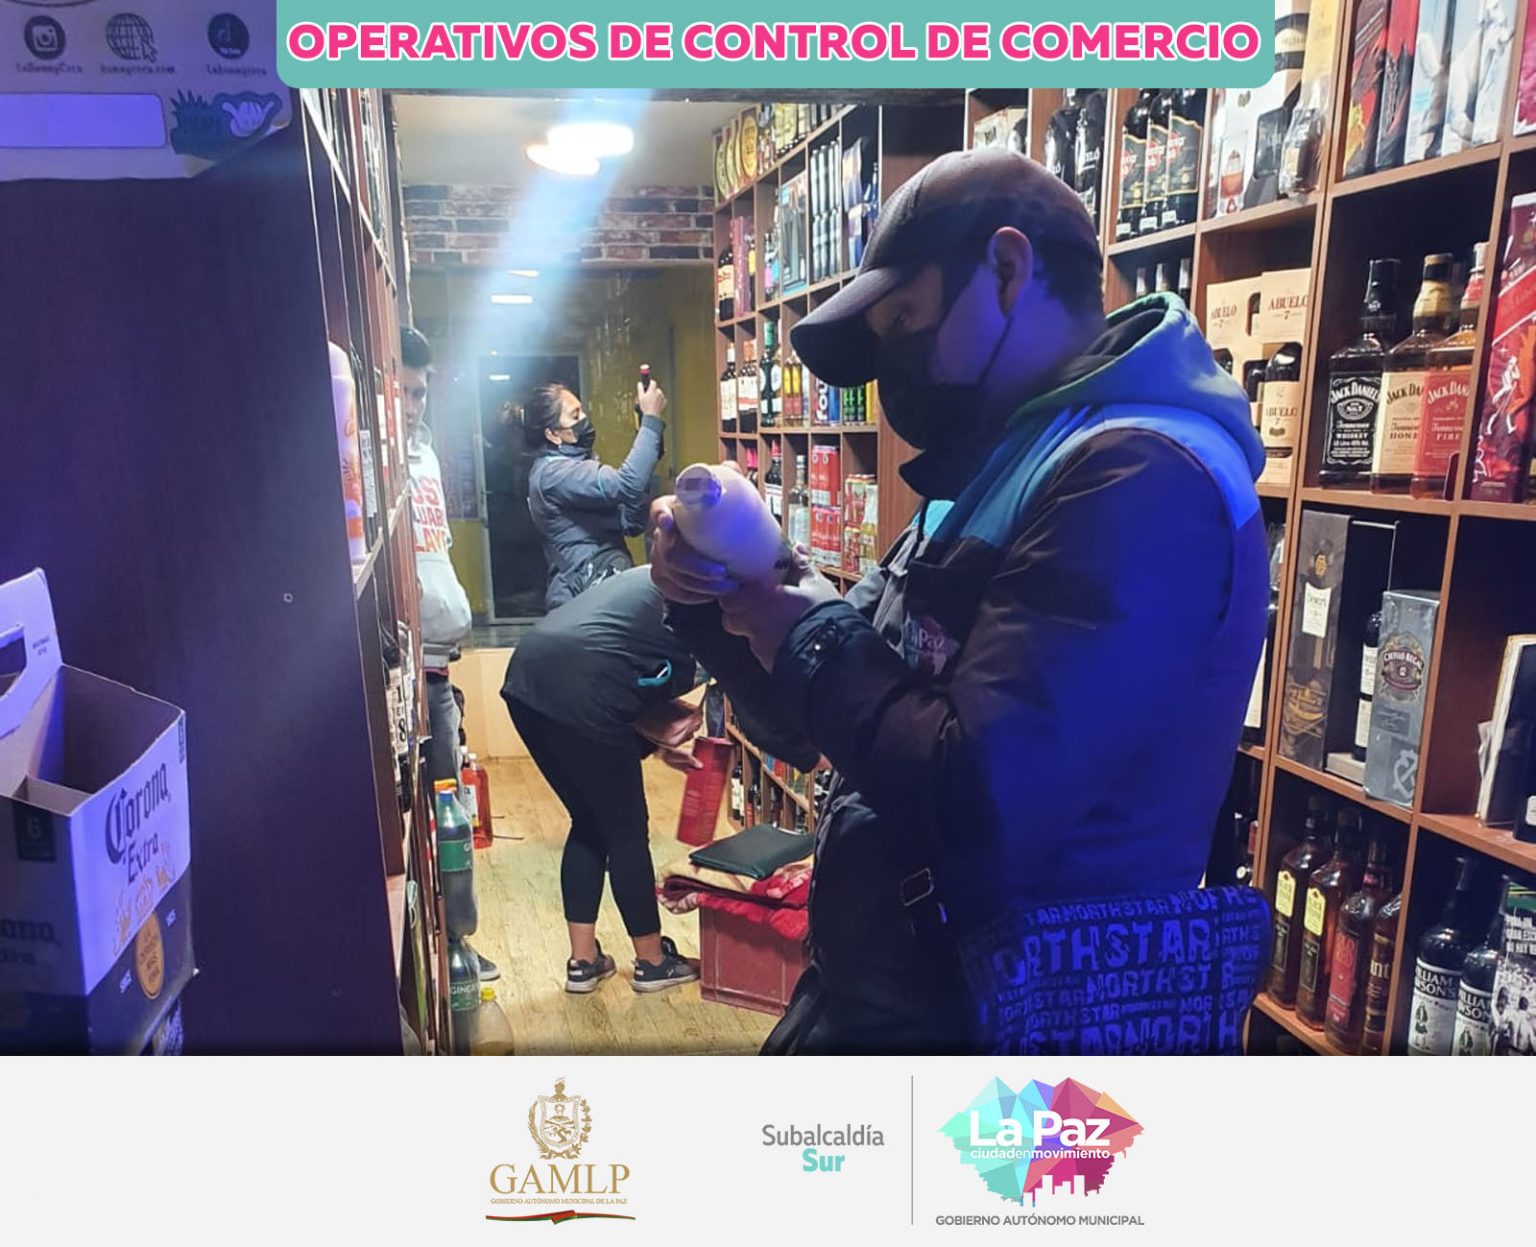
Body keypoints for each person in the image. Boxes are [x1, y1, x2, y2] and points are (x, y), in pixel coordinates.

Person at [648, 148, 1269, 1055]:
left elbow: (981, 801)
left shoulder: (1141, 477)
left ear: (1009, 271)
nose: (893, 363)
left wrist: (800, 624)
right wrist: (722, 596)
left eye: (905, 317)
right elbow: (815, 724)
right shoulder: (1000, 466)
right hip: (908, 992)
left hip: (1024, 1035)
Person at [499, 566, 705, 994]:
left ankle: (583, 962)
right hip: (584, 688)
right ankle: (652, 962)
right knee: (626, 830)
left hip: (526, 679)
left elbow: (624, 668)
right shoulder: (705, 600)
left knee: (589, 821)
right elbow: (613, 686)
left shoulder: (657, 575)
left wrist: (657, 744)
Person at [402, 326, 498, 982]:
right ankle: (442, 951)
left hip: (439, 664)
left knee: (451, 812)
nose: (414, 404)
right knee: (434, 817)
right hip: (410, 669)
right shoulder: (380, 461)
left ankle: (458, 942)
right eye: (404, 391)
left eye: (421, 391)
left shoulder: (424, 454)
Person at [522, 380, 667, 610]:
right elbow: (626, 484)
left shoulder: (578, 463)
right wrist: (651, 420)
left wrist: (648, 443)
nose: (584, 419)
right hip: (583, 598)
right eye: (575, 415)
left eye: (582, 410)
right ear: (553, 434)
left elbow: (631, 523)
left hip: (603, 589)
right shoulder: (554, 474)